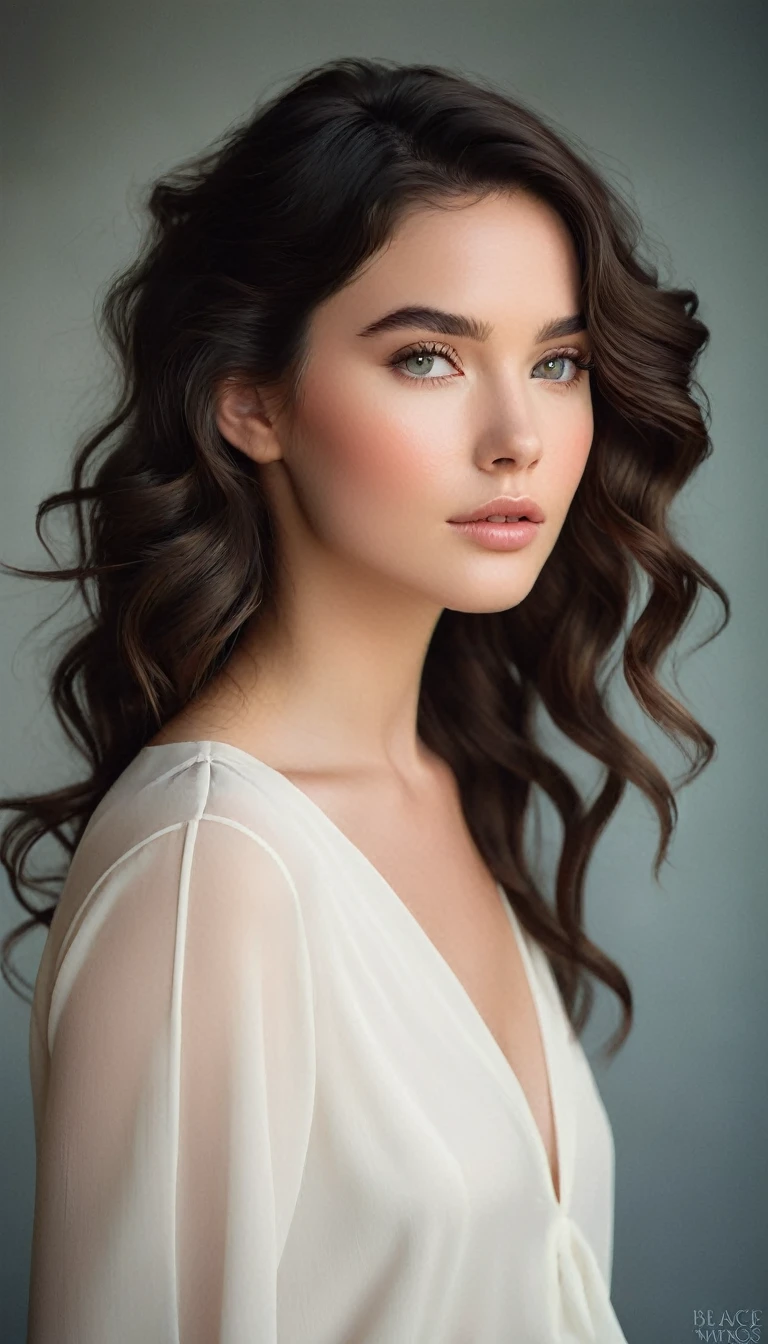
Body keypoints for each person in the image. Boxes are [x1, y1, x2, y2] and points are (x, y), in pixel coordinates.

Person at [0, 56, 728, 1344]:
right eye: (431, 357)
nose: (517, 435)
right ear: (253, 403)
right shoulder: (208, 869)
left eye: (556, 363)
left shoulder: (443, 780)